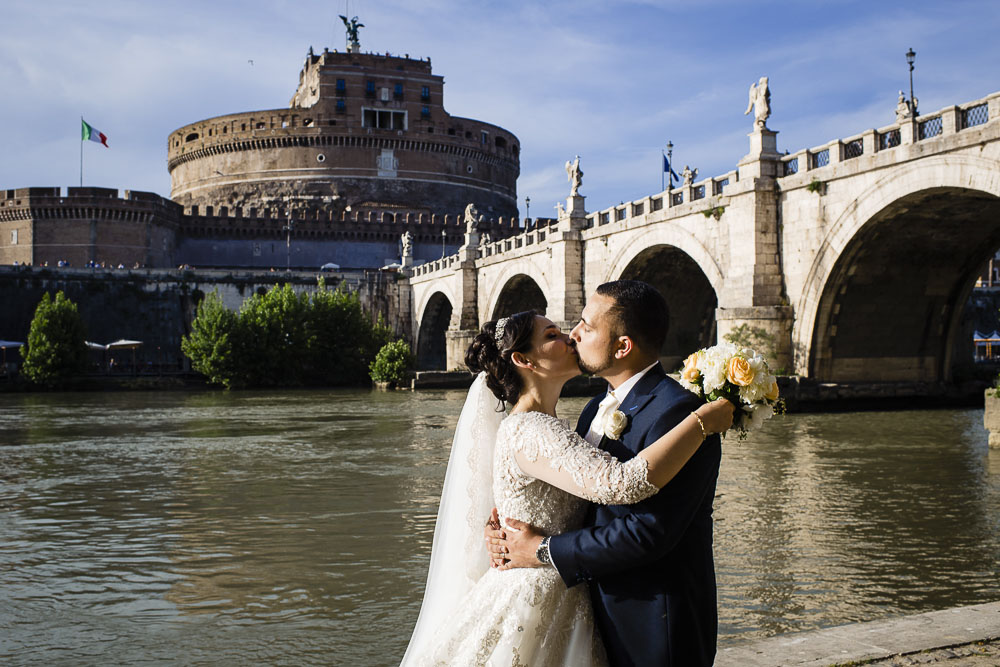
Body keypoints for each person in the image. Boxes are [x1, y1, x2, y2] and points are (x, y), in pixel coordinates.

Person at [400, 300, 733, 666]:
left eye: (579, 328)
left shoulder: (575, 417)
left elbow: (614, 513)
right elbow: (621, 483)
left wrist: (511, 525)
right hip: (541, 597)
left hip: (616, 609)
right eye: (553, 335)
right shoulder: (536, 429)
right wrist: (702, 422)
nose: (571, 336)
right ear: (524, 361)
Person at [486, 280, 724, 666]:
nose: (572, 334)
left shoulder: (680, 414)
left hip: (651, 625)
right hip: (585, 612)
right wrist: (501, 524)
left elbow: (647, 533)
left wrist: (541, 550)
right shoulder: (591, 408)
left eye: (585, 325)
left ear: (622, 346)